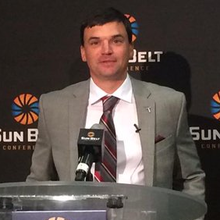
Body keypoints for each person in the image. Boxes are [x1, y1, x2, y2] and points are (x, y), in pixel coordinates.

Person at [27, 6, 205, 205]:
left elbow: (191, 178)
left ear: (130, 49)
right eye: (95, 42)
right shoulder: (53, 107)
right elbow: (39, 182)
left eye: (116, 41)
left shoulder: (168, 103)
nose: (106, 50)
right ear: (83, 52)